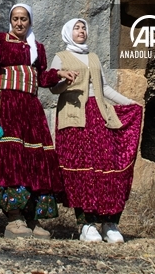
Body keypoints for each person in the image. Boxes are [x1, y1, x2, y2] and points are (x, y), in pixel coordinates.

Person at [0, 5, 78, 240]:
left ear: (30, 21)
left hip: (30, 109)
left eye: (23, 19)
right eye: (15, 19)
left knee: (34, 159)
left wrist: (59, 75)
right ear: (10, 20)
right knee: (9, 159)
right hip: (6, 106)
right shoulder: (0, 40)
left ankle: (32, 218)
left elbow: (41, 77)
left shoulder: (37, 48)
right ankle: (14, 218)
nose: (19, 23)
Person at [50, 18, 143, 243]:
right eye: (76, 28)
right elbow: (54, 88)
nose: (81, 31)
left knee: (106, 166)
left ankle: (109, 223)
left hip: (99, 115)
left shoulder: (93, 57)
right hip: (74, 118)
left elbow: (105, 87)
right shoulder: (61, 57)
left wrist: (130, 102)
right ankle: (86, 224)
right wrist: (65, 80)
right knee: (82, 171)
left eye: (84, 28)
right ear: (68, 32)